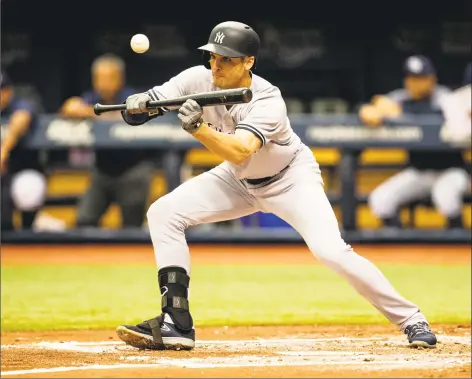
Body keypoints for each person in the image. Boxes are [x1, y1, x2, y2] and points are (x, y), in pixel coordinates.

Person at [115, 22, 437, 351]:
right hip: (238, 179)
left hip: (291, 178)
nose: (216, 65)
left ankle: (411, 319)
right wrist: (137, 107)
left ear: (248, 62)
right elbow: (144, 109)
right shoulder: (195, 79)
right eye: (213, 57)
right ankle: (176, 322)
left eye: (226, 59)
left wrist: (198, 129)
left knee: (332, 251)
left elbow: (240, 150)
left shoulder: (268, 99)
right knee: (163, 213)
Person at [359, 55, 464, 228]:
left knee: (445, 196)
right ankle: (401, 248)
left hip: (451, 170)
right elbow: (373, 106)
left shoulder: (446, 98)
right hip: (419, 171)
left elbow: (438, 117)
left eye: (422, 78)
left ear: (432, 78)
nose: (416, 83)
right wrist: (370, 111)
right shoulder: (401, 98)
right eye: (412, 78)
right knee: (380, 200)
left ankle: (459, 242)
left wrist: (400, 117)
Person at [60, 54, 156, 228]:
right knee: (84, 221)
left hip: (133, 170)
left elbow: (132, 115)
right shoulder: (93, 98)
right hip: (102, 171)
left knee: (131, 226)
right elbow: (69, 108)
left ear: (119, 78)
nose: (102, 84)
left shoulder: (133, 97)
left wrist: (102, 116)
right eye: (98, 78)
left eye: (107, 78)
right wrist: (96, 113)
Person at [1, 70, 46, 231]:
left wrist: (3, 150)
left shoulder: (20, 105)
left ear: (9, 91)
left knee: (28, 189)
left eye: (2, 91)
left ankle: (28, 231)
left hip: (22, 171)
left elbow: (21, 119)